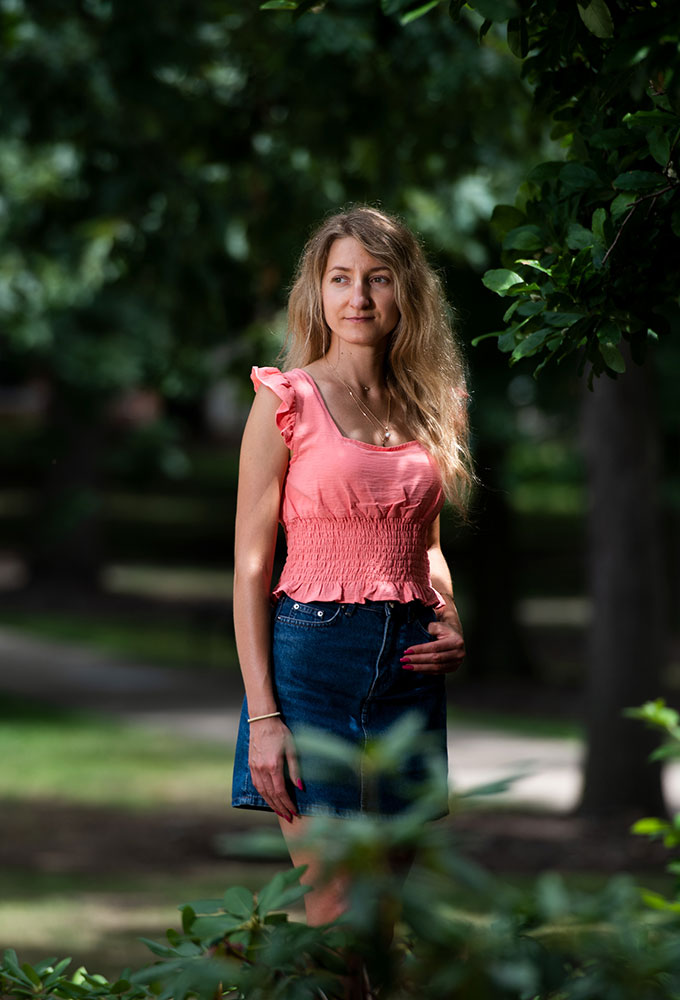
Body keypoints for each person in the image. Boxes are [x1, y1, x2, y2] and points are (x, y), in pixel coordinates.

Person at [231, 206, 472, 934]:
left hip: (410, 670)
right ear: (318, 291)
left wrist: (451, 619)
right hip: (311, 666)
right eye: (340, 279)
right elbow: (249, 566)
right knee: (335, 923)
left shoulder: (437, 404)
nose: (358, 298)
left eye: (377, 278)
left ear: (407, 293)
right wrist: (265, 718)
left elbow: (427, 548)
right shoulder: (285, 398)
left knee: (384, 925)